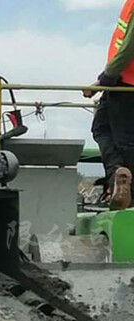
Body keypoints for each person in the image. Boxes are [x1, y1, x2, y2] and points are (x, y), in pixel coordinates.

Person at [84, 0, 134, 210]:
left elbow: (128, 47)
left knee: (124, 143)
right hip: (118, 82)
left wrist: (105, 78)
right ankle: (117, 176)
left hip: (125, 84)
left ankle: (127, 190)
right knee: (101, 127)